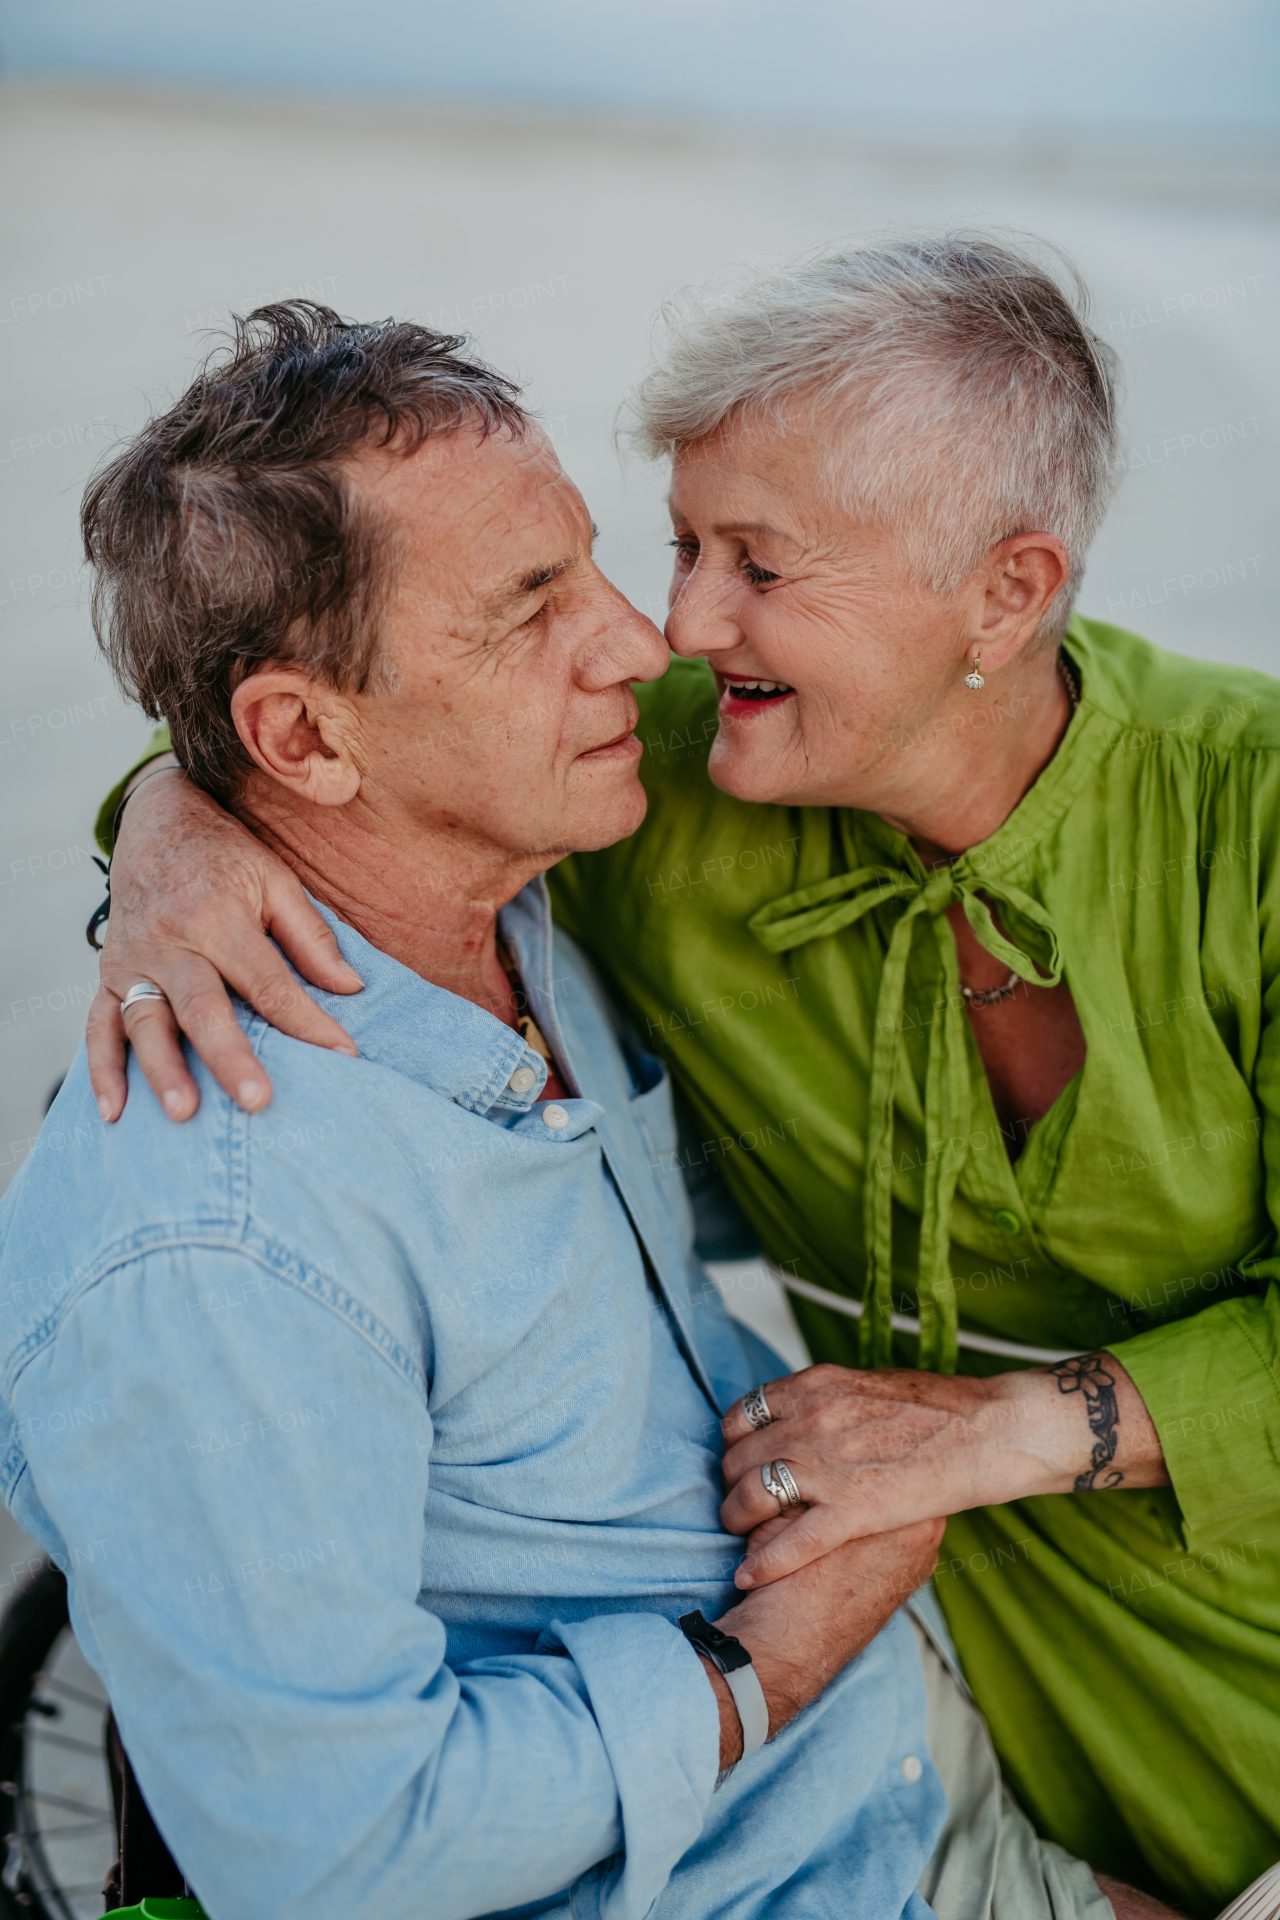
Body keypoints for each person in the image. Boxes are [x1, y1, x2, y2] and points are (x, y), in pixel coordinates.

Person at [82, 240, 1278, 1916]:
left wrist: (993, 1434)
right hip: (932, 1723)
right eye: (682, 545)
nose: (670, 630)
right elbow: (345, 731)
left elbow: (385, 722)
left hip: (1207, 1668)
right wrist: (166, 830)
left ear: (1007, 593)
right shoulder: (688, 770)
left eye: (760, 565)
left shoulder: (1252, 814)